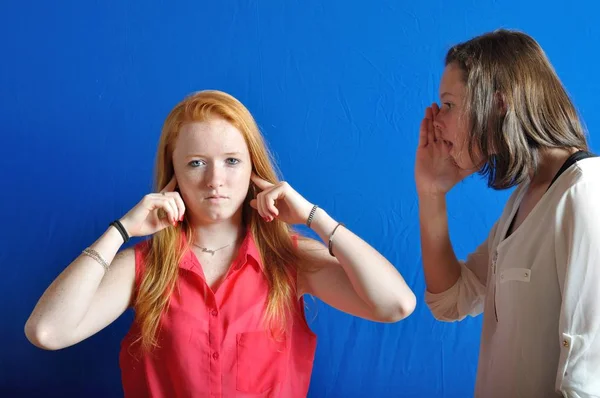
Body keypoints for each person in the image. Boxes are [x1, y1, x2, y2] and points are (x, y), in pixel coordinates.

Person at [25, 90, 416, 397]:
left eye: (231, 161)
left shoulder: (290, 259)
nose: (215, 179)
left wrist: (316, 218)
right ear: (173, 172)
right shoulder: (144, 267)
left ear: (253, 169)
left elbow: (396, 305)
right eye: (196, 162)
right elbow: (47, 332)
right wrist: (122, 230)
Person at [416, 28, 600, 397]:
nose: (437, 119)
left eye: (449, 104)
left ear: (499, 104)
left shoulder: (584, 193)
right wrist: (431, 191)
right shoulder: (524, 199)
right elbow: (450, 301)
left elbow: (585, 379)